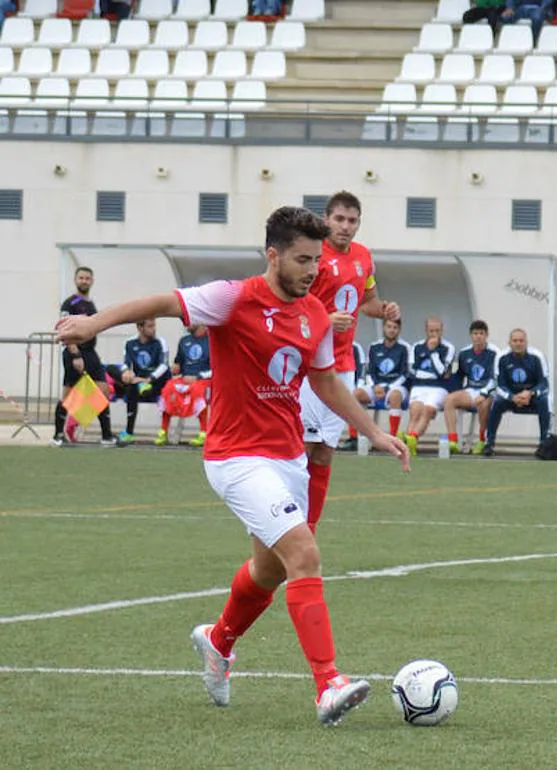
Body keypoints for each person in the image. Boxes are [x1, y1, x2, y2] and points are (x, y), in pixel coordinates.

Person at [54, 206, 410, 726]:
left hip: (288, 457)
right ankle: (327, 682)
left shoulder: (313, 313)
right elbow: (160, 301)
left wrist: (375, 431)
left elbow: (326, 382)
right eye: (302, 259)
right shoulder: (232, 298)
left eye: (316, 259)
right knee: (304, 554)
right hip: (236, 457)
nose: (314, 270)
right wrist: (91, 324)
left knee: (268, 571)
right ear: (273, 255)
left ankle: (218, 643)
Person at [301, 191, 400, 533]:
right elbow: (293, 308)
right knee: (305, 447)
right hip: (310, 368)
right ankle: (287, 526)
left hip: (343, 366)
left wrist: (384, 309)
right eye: (339, 219)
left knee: (327, 451)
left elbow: (367, 302)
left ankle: (309, 527)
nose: (345, 227)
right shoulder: (312, 256)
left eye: (352, 220)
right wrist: (325, 319)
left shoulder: (363, 257)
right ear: (325, 219)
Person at [53, 266, 116, 446]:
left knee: (103, 390)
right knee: (68, 394)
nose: (84, 281)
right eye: (81, 278)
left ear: (92, 281)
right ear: (75, 280)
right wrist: (75, 354)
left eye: (87, 278)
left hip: (91, 353)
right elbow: (64, 329)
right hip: (76, 353)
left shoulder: (91, 304)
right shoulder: (69, 304)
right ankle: (58, 435)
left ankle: (107, 436)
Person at [482, 328, 551, 457]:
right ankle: (489, 443)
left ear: (526, 342)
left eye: (521, 340)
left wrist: (530, 393)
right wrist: (512, 397)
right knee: (497, 402)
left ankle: (544, 444)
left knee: (544, 400)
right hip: (511, 397)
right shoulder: (502, 357)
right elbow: (499, 385)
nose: (518, 343)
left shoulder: (537, 356)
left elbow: (544, 383)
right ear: (509, 342)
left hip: (530, 397)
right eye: (515, 340)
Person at [444, 319, 499, 454]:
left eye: (481, 333)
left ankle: (482, 441)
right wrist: (448, 376)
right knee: (449, 399)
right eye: (475, 333)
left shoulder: (495, 352)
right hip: (471, 390)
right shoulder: (464, 353)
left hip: (490, 391)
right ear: (471, 335)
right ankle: (453, 441)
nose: (478, 336)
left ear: (486, 335)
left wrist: (484, 393)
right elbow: (460, 376)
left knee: (483, 404)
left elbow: (496, 378)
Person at [404, 317, 457, 452]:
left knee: (427, 410)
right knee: (415, 410)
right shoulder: (416, 346)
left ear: (442, 330)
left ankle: (412, 438)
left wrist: (433, 352)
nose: (434, 334)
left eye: (437, 331)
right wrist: (428, 373)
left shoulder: (448, 348)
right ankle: (409, 443)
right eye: (431, 330)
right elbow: (412, 370)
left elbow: (442, 372)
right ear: (426, 330)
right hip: (419, 386)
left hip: (438, 387)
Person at [115, 318, 170, 444]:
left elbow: (164, 365)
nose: (154, 329)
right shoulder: (129, 343)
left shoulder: (160, 342)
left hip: (156, 383)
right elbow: (125, 363)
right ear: (140, 328)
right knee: (123, 380)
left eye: (154, 325)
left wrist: (149, 379)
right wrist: (127, 372)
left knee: (134, 387)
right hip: (138, 382)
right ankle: (129, 433)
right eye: (150, 326)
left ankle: (161, 433)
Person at [355, 317, 412, 438]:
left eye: (395, 328)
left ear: (399, 330)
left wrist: (387, 388)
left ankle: (392, 436)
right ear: (384, 328)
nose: (391, 330)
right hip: (376, 386)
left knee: (395, 396)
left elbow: (405, 374)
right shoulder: (374, 346)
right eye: (389, 327)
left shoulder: (405, 347)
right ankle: (355, 437)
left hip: (396, 387)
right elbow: (369, 371)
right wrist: (375, 386)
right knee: (357, 394)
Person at [157, 324, 213, 447]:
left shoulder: (212, 340)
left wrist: (198, 376)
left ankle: (204, 433)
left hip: (205, 380)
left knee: (198, 390)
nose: (186, 323)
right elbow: (178, 363)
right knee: (168, 388)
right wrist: (176, 368)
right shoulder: (184, 341)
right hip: (185, 379)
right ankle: (163, 431)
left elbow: (217, 368)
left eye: (190, 320)